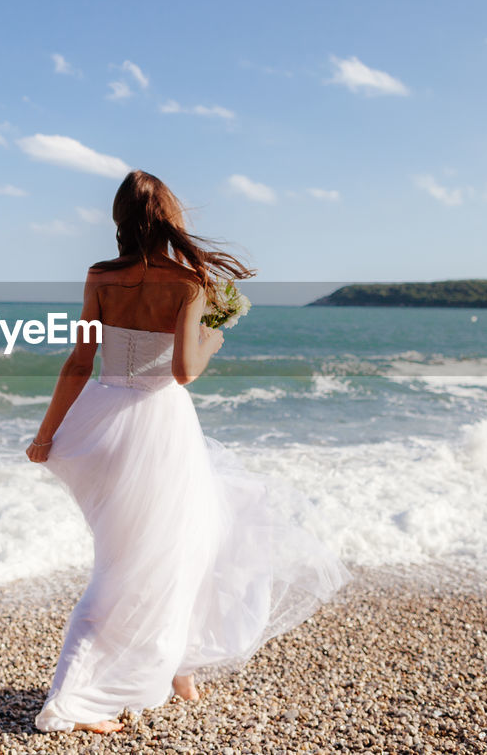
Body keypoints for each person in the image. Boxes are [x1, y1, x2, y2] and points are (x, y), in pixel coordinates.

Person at [26, 170, 349, 734]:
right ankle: (70, 699)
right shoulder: (188, 281)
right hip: (159, 426)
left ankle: (178, 663)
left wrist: (46, 434)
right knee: (148, 559)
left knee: (177, 545)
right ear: (171, 219)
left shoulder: (100, 276)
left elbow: (80, 362)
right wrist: (212, 340)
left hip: (104, 423)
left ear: (120, 220)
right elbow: (184, 371)